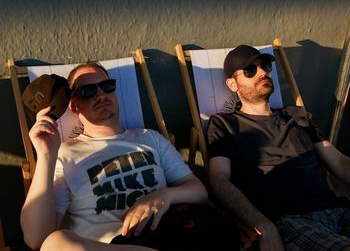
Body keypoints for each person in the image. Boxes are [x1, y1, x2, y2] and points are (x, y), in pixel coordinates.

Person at [20, 62, 212, 251]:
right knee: (55, 243)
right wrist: (46, 155)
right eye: (88, 90)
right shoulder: (64, 153)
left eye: (107, 86)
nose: (101, 94)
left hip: (164, 233)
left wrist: (164, 195)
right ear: (73, 105)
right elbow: (36, 238)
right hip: (111, 244)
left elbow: (199, 191)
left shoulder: (149, 138)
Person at [206, 45, 350, 251]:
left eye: (264, 65)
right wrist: (263, 225)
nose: (263, 72)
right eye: (250, 70)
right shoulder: (225, 124)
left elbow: (340, 162)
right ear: (232, 84)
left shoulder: (297, 116)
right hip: (292, 220)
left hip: (338, 209)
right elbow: (219, 181)